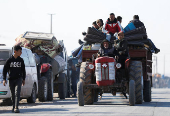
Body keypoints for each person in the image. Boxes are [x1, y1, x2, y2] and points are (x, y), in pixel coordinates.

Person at [3, 45, 26, 113]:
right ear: (15, 51)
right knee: (13, 94)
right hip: (11, 79)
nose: (21, 53)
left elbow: (23, 70)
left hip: (18, 79)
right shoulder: (9, 60)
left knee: (17, 92)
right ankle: (13, 106)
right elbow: (5, 70)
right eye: (20, 51)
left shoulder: (21, 60)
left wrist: (23, 79)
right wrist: (4, 79)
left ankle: (16, 107)